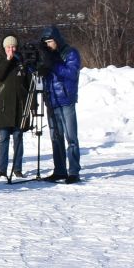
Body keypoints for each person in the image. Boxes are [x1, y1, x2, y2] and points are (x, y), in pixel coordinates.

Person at [38, 24, 82, 183]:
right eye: (46, 42)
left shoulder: (70, 53)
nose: (48, 45)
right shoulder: (47, 55)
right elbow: (39, 74)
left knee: (71, 137)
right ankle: (60, 170)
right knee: (56, 138)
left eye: (50, 41)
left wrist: (53, 64)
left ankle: (74, 171)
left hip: (66, 99)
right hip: (51, 100)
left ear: (57, 39)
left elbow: (71, 73)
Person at [0, 35, 30, 180]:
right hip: (3, 107)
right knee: (4, 138)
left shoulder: (22, 62)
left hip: (19, 106)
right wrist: (8, 59)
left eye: (13, 47)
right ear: (4, 48)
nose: (11, 50)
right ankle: (2, 169)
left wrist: (31, 106)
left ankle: (17, 168)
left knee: (18, 137)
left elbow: (28, 84)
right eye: (8, 47)